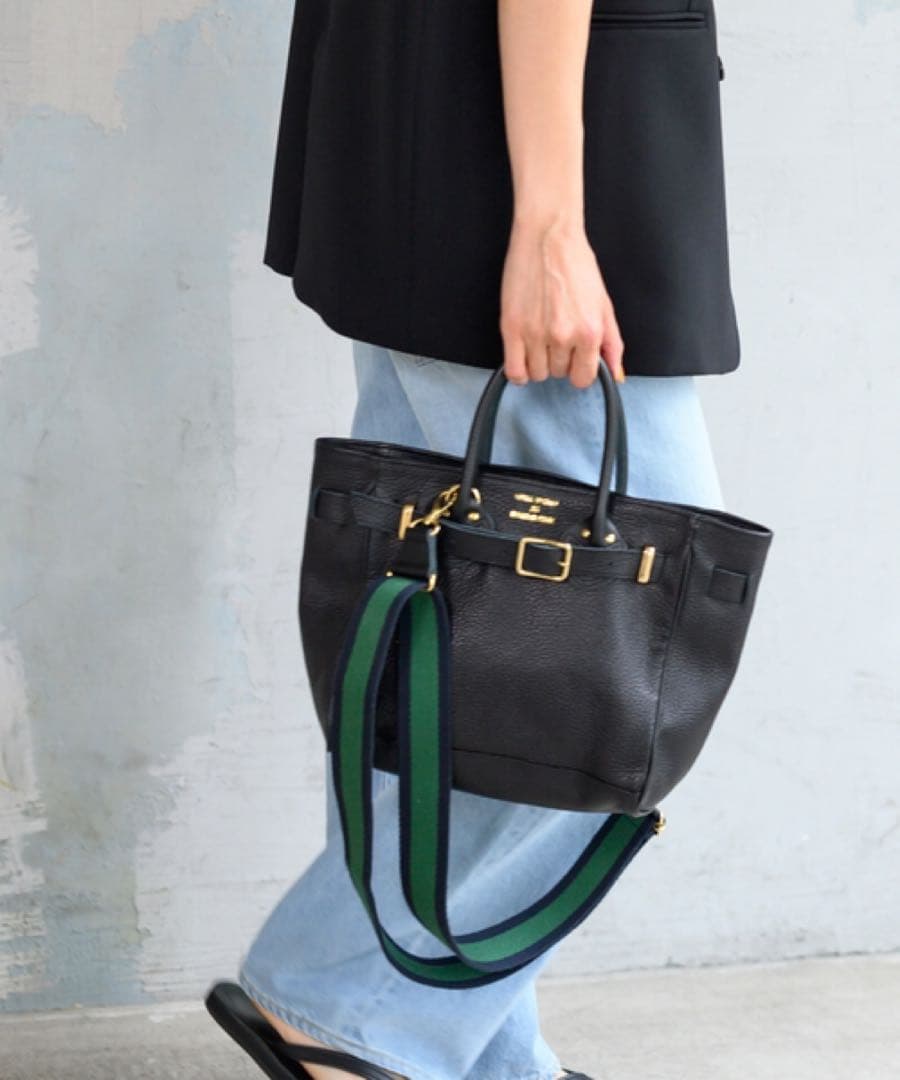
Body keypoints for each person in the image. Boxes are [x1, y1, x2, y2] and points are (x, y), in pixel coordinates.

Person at [207, 2, 737, 1078]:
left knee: (445, 650)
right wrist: (548, 221)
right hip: (510, 147)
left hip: (439, 109)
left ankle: (486, 1060)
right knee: (628, 649)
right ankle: (341, 1005)